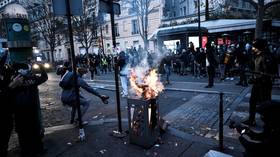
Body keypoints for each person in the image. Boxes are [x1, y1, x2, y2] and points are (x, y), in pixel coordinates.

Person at [242, 39, 274, 126]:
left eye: (254, 47)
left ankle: (268, 124)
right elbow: (254, 68)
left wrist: (257, 79)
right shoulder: (256, 56)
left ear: (259, 47)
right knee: (252, 102)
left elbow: (267, 73)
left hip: (264, 85)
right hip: (257, 84)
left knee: (266, 104)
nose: (252, 48)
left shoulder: (266, 57)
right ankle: (252, 120)